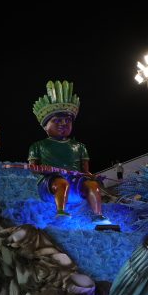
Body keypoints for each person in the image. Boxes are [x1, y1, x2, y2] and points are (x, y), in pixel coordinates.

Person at [27, 80, 104, 219]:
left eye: (68, 120)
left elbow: (85, 171)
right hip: (51, 184)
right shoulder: (37, 146)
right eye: (57, 120)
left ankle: (98, 216)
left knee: (93, 185)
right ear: (45, 126)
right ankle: (61, 212)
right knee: (62, 183)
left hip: (76, 183)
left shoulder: (79, 146)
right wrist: (44, 169)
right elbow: (33, 168)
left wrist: (92, 176)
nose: (63, 123)